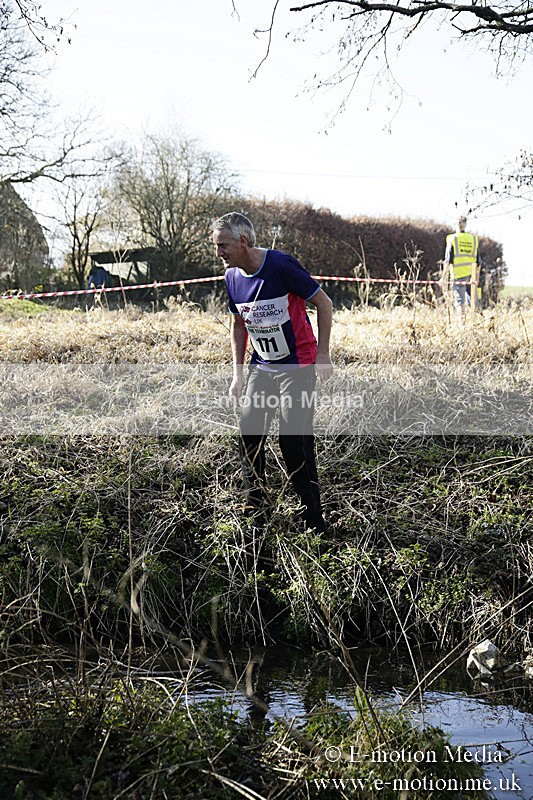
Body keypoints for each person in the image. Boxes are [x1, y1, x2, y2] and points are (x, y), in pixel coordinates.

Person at [212, 211, 334, 533]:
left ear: (243, 241)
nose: (218, 253)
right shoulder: (232, 278)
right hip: (262, 366)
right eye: (215, 246)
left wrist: (323, 354)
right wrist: (238, 375)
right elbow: (239, 325)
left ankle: (315, 520)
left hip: (298, 364)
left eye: (222, 245)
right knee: (249, 435)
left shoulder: (280, 265)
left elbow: (324, 303)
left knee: (294, 444)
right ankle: (258, 510)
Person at [443, 216, 481, 324]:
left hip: (459, 275)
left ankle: (462, 326)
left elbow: (448, 260)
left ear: (456, 224)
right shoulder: (473, 239)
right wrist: (476, 278)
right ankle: (477, 324)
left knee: (460, 302)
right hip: (472, 276)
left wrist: (443, 277)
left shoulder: (453, 239)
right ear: (466, 224)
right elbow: (478, 262)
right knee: (474, 302)